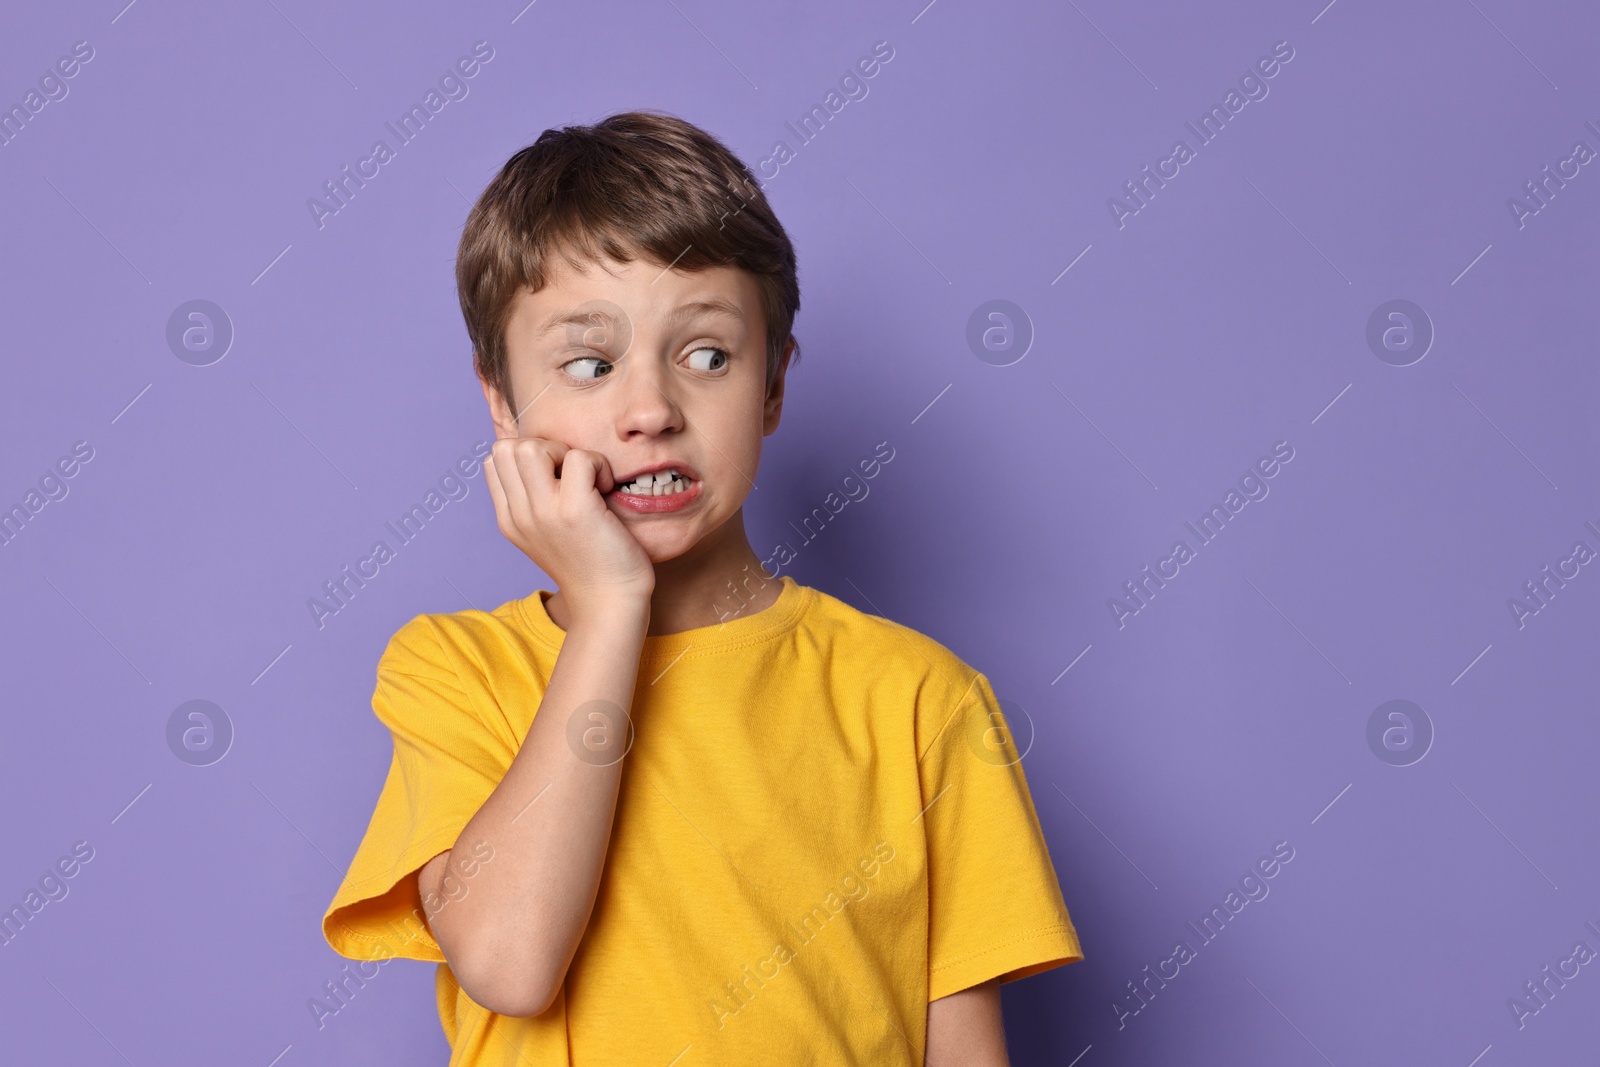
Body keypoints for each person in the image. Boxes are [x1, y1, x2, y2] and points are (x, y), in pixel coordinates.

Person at [321, 109, 1083, 1065]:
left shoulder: (923, 700)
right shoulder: (455, 670)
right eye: (589, 364)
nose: (650, 411)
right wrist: (607, 609)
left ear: (772, 388)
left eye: (708, 356)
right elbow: (510, 964)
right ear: (502, 401)